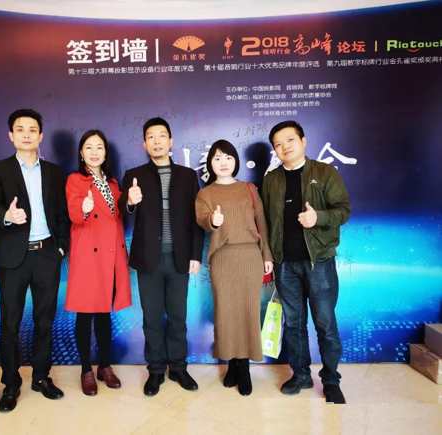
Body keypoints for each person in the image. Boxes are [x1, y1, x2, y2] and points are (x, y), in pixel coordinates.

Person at [0, 109, 69, 412]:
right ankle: (11, 383)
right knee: (10, 323)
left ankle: (41, 377)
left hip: (47, 254)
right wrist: (6, 216)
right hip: (12, 258)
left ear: (41, 135)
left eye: (32, 129)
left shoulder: (54, 172)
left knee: (45, 321)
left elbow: (62, 214)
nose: (26, 134)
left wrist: (61, 248)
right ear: (11, 135)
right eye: (20, 129)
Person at [262, 120, 350, 404]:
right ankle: (300, 374)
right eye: (278, 144)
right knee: (293, 324)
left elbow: (343, 210)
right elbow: (265, 222)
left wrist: (318, 218)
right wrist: (268, 256)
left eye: (290, 140)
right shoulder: (271, 180)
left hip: (319, 262)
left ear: (303, 141)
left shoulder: (324, 172)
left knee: (325, 323)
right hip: (285, 264)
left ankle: (331, 379)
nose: (284, 147)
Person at [119, 117, 204, 396]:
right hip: (148, 260)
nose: (156, 141)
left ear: (171, 141)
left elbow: (195, 220)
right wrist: (130, 202)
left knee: (178, 316)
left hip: (179, 259)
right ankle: (155, 370)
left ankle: (178, 367)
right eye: (151, 137)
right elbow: (122, 213)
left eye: (161, 136)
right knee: (152, 318)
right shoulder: (134, 175)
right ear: (144, 144)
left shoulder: (187, 176)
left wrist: (195, 255)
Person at [195, 140, 273, 396]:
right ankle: (231, 363)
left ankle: (244, 367)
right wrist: (213, 220)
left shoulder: (249, 189)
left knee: (248, 312)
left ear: (235, 161)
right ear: (210, 163)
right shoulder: (205, 194)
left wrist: (266, 254)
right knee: (226, 313)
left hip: (250, 255)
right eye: (217, 158)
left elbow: (262, 221)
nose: (223, 162)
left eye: (228, 157)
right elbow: (202, 219)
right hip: (222, 258)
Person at [65, 130, 132, 396]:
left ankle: (104, 366)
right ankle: (85, 369)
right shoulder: (75, 180)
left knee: (105, 313)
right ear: (81, 153)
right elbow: (73, 213)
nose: (94, 152)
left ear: (106, 153)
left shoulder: (114, 183)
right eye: (89, 147)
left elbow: (120, 216)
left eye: (99, 147)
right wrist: (83, 207)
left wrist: (131, 203)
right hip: (88, 256)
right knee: (85, 313)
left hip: (112, 255)